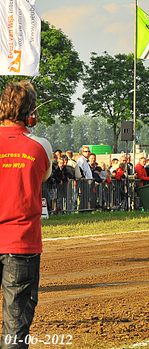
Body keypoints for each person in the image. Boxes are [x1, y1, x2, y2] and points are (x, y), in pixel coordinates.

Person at [0, 80, 52, 348]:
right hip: (21, 242)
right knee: (15, 326)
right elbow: (43, 177)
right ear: (31, 113)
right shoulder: (40, 147)